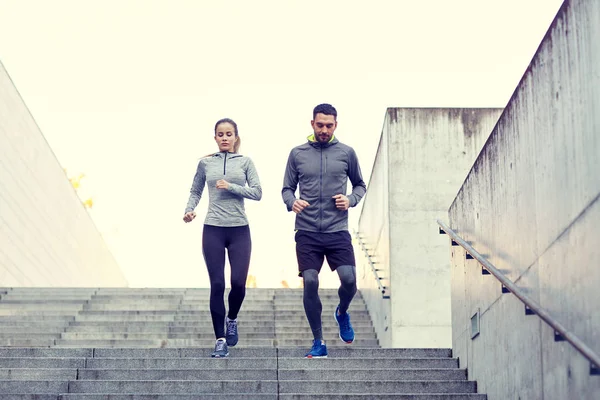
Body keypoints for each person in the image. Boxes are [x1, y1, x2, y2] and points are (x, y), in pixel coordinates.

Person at [282, 103, 367, 358]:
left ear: (336, 125)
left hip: (337, 229)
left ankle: (342, 312)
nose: (324, 130)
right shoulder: (297, 154)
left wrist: (350, 200)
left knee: (350, 280)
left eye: (329, 126)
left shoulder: (346, 153)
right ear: (312, 124)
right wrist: (291, 202)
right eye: (320, 125)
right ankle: (318, 341)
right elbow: (287, 189)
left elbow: (360, 185)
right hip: (307, 230)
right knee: (310, 281)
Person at [183, 118, 262, 358]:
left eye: (229, 134)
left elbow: (258, 193)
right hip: (213, 229)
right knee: (217, 284)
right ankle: (220, 340)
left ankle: (232, 318)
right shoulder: (206, 164)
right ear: (215, 137)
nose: (225, 138)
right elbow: (196, 189)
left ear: (236, 137)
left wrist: (231, 187)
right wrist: (189, 209)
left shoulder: (246, 162)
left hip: (239, 230)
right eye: (220, 134)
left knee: (238, 283)